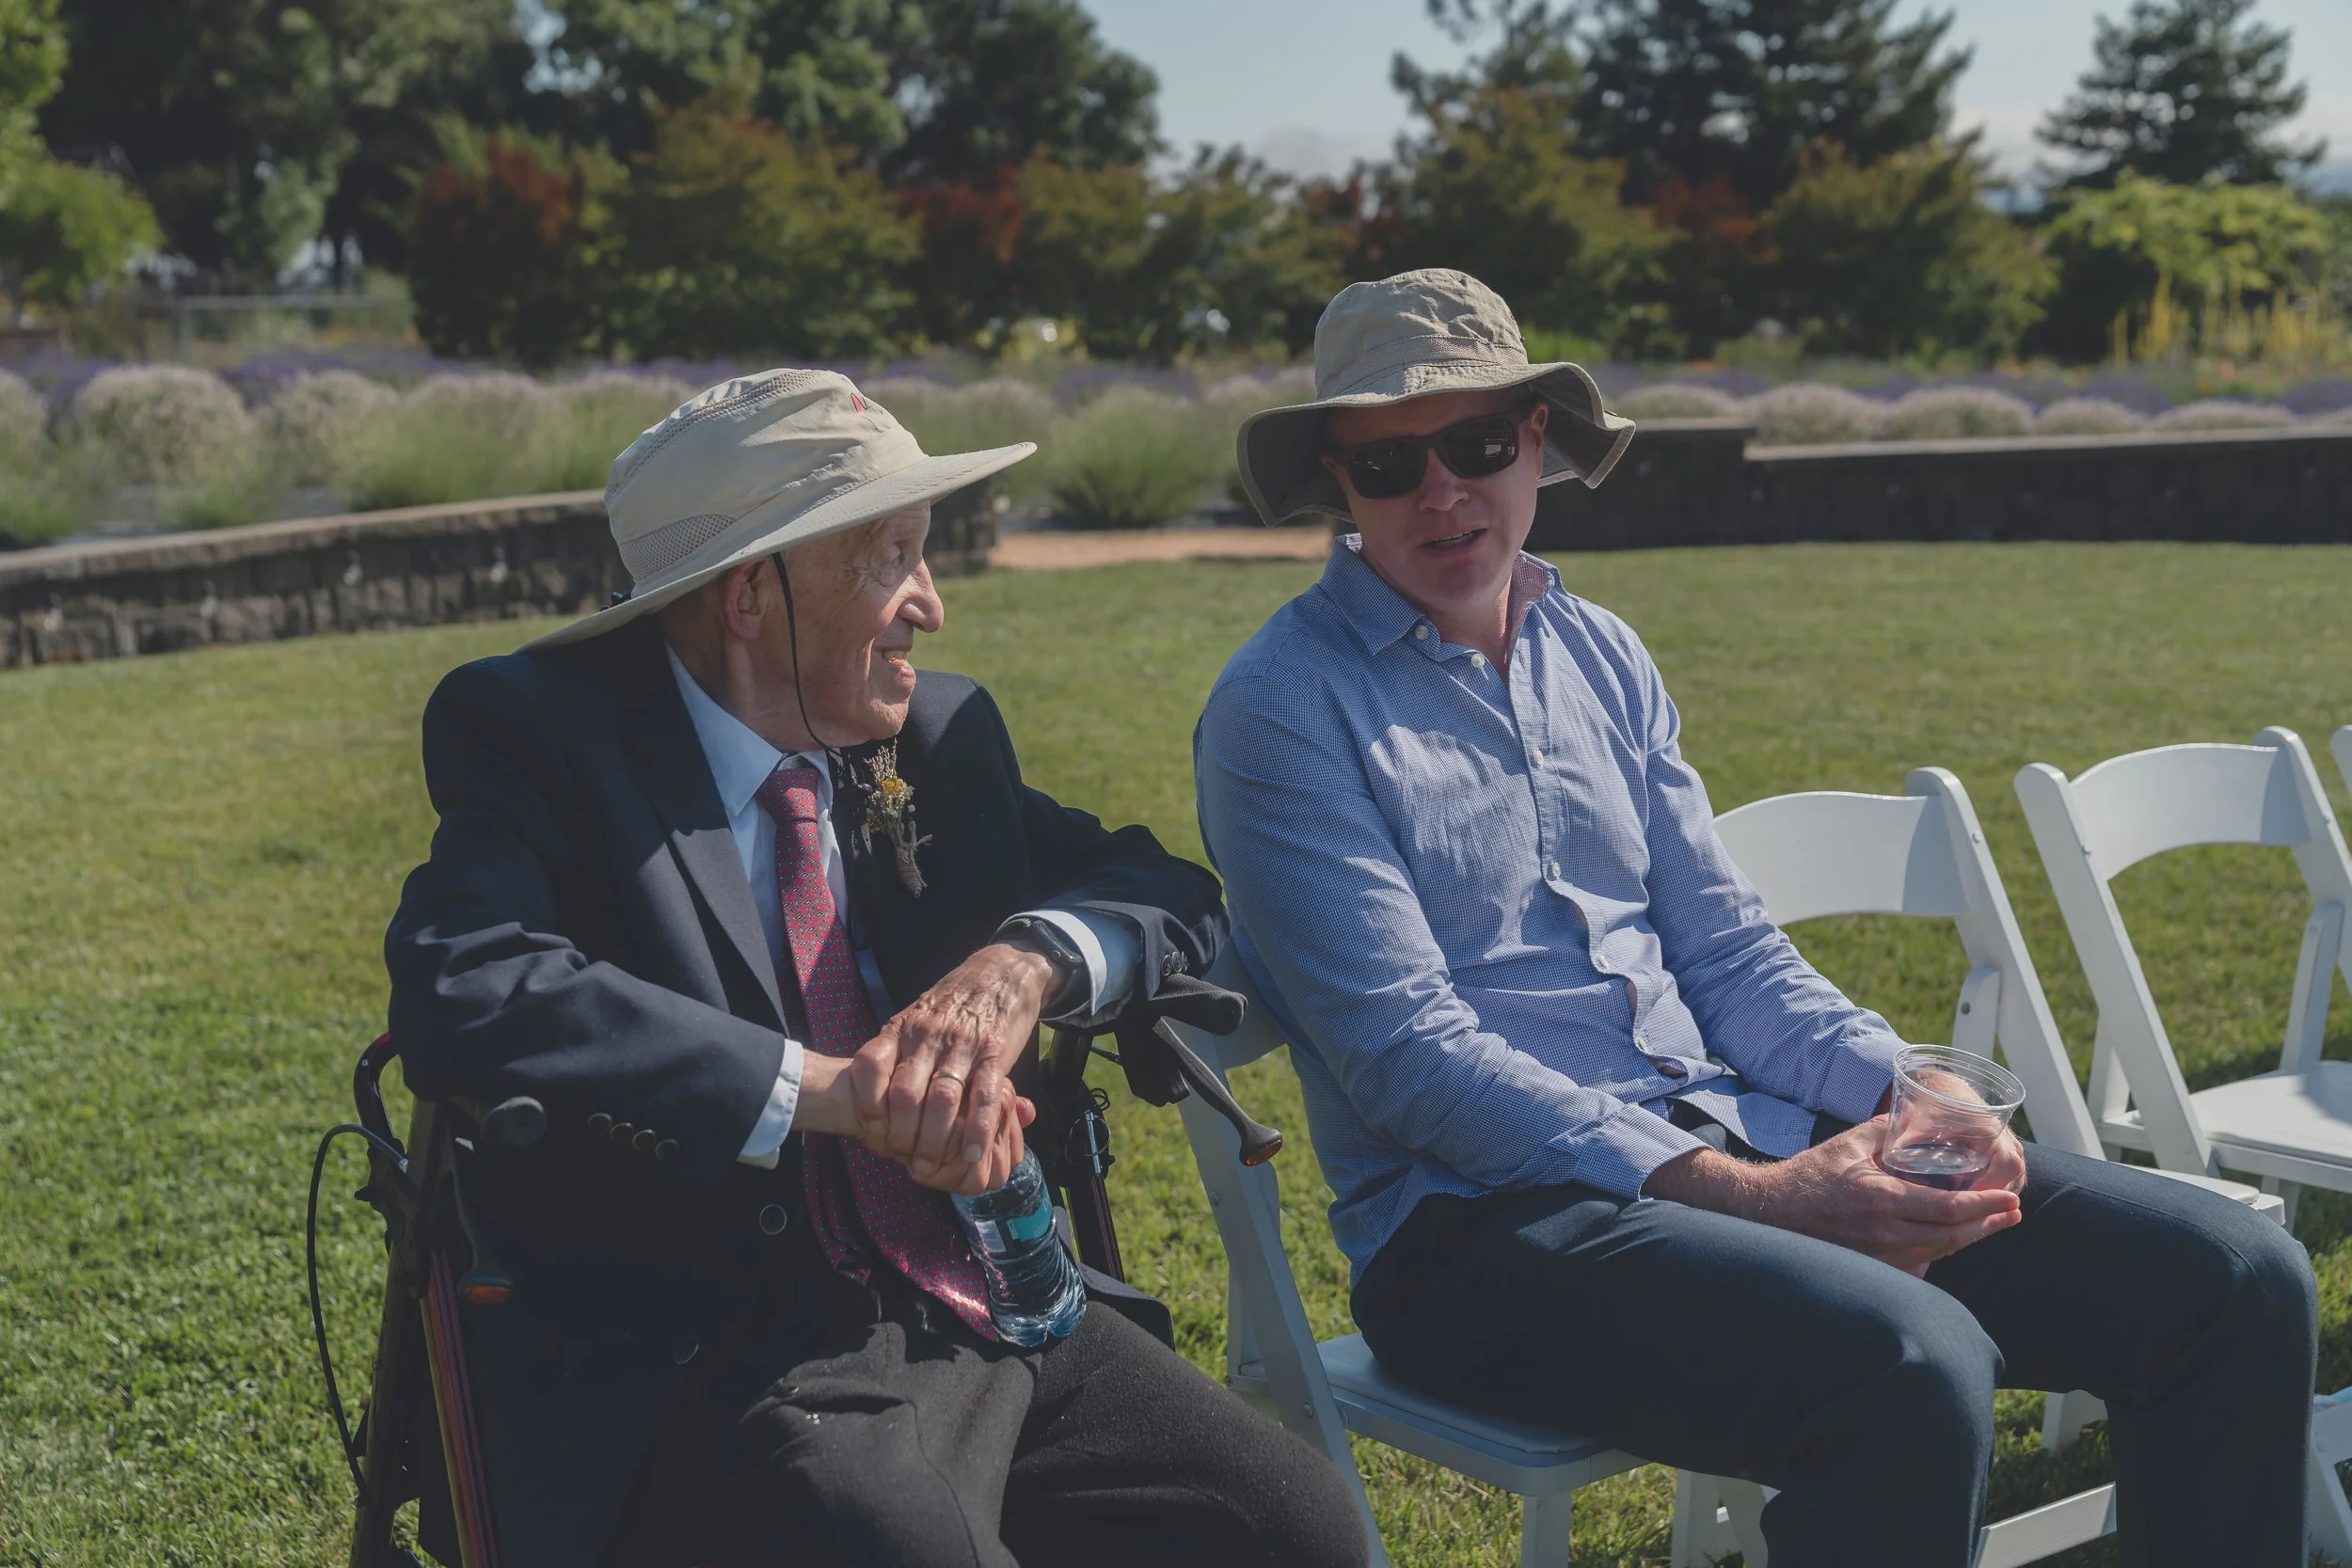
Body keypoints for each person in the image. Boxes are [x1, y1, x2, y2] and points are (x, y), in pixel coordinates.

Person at [1193, 269, 2317, 1567]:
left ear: (1538, 443)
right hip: (1475, 1234)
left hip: (1733, 1129)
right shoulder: (1280, 708)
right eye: (1389, 463)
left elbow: (1727, 948)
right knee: (1909, 1361)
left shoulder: (1599, 650)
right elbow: (1410, 1056)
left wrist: (1911, 1084)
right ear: (1338, 483)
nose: (1442, 490)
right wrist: (1755, 1196)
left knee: (2234, 1275)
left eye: (1480, 442)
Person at [387, 369, 1366, 1568]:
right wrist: (832, 1090)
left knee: (1295, 1526)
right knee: (910, 1543)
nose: (930, 604)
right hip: (724, 1352)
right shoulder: (544, 735)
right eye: (890, 554)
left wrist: (1023, 964)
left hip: (986, 1303)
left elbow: (1161, 888)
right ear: (752, 593)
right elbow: (464, 981)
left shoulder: (932, 734)